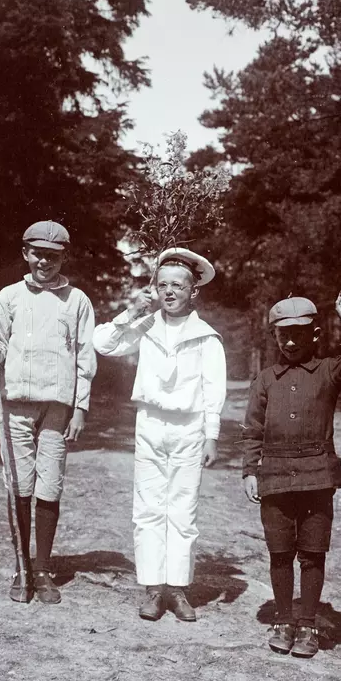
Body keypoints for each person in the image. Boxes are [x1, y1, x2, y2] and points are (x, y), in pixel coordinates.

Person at [240, 289, 341, 658]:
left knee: (313, 553)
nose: (290, 342)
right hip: (274, 478)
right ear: (273, 336)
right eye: (283, 335)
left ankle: (307, 624)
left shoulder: (330, 370)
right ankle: (283, 620)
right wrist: (250, 470)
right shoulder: (265, 379)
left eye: (299, 335)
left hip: (317, 477)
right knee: (280, 553)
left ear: (315, 335)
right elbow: (252, 429)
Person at [93, 247, 226, 622]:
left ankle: (178, 588)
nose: (169, 292)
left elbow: (213, 388)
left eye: (178, 286)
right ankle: (153, 589)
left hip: (188, 427)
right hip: (150, 423)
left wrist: (211, 435)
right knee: (148, 508)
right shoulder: (146, 325)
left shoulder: (205, 336)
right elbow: (103, 344)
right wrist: (132, 311)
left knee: (182, 511)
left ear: (193, 291)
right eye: (162, 284)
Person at [0, 221, 97, 604]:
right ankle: (22, 567)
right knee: (20, 485)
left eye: (52, 256)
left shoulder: (76, 301)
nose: (44, 262)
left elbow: (85, 358)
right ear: (25, 254)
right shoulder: (7, 298)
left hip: (57, 408)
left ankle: (42, 569)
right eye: (38, 254)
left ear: (64, 257)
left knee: (49, 484)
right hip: (15, 405)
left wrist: (80, 409)